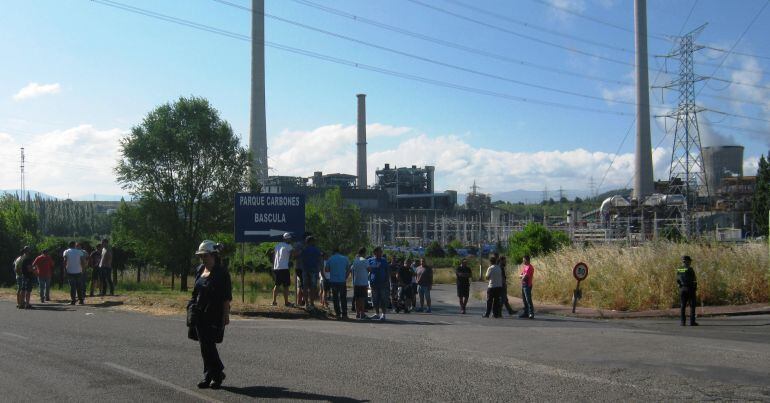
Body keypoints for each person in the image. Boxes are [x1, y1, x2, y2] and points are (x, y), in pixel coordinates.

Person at [189, 240, 232, 389]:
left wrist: (225, 316)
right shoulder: (200, 269)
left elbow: (226, 297)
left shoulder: (222, 273)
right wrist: (191, 306)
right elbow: (195, 291)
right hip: (199, 313)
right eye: (201, 256)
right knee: (204, 346)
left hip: (214, 313)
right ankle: (210, 375)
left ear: (213, 255)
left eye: (205, 256)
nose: (203, 259)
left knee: (209, 345)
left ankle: (217, 374)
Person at [325, 247, 351, 319]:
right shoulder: (345, 258)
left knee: (335, 298)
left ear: (333, 252)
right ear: (339, 251)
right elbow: (349, 269)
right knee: (343, 298)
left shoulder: (330, 259)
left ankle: (338, 314)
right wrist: (345, 277)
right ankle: (344, 314)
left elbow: (326, 270)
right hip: (342, 281)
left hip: (333, 281)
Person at [368, 247, 390, 321]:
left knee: (383, 299)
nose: (381, 253)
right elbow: (367, 269)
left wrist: (387, 281)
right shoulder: (370, 260)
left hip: (383, 283)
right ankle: (377, 314)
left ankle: (383, 314)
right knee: (375, 299)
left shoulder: (384, 261)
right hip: (373, 283)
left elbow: (387, 271)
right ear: (375, 252)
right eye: (380, 252)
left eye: (381, 252)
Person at [271, 233, 293, 307]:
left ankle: (274, 301)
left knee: (277, 285)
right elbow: (292, 255)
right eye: (289, 238)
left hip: (276, 267)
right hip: (284, 268)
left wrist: (274, 265)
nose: (290, 240)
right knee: (286, 286)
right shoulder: (289, 246)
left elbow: (274, 256)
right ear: (286, 239)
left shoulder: (277, 245)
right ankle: (286, 302)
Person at [301, 236, 322, 311]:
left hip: (305, 270)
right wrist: (319, 270)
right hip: (313, 270)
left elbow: (300, 259)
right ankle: (312, 303)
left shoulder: (303, 249)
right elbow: (319, 260)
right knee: (312, 287)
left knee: (305, 287)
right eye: (314, 241)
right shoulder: (316, 250)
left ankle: (306, 304)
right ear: (311, 241)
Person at [677, 255, 698, 326]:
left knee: (683, 306)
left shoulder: (679, 269)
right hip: (690, 289)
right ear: (687, 261)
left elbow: (678, 280)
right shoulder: (690, 269)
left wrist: (680, 286)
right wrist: (695, 288)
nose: (690, 262)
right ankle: (692, 322)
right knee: (692, 305)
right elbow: (694, 280)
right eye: (689, 261)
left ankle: (683, 322)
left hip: (682, 289)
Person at [351, 247, 370, 320]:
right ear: (363, 253)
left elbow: (352, 270)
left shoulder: (355, 260)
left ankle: (357, 313)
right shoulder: (364, 260)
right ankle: (362, 314)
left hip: (356, 282)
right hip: (363, 282)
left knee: (357, 299)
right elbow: (369, 269)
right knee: (362, 299)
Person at [519, 255, 535, 319]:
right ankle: (526, 313)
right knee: (524, 300)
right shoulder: (525, 267)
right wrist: (522, 276)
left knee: (528, 300)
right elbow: (520, 275)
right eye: (523, 260)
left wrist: (522, 276)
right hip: (523, 285)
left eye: (524, 260)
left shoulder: (529, 267)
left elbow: (525, 277)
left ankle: (531, 313)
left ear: (527, 260)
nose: (523, 261)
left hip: (527, 285)